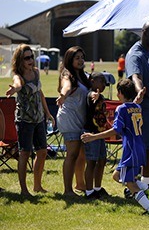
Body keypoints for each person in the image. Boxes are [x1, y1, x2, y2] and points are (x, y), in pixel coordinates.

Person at [82, 79, 149, 215]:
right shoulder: (137, 107)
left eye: (118, 92)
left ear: (121, 93)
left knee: (130, 183)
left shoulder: (121, 108)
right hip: (139, 146)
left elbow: (116, 130)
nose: (117, 95)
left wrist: (93, 137)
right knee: (117, 176)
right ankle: (147, 188)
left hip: (131, 149)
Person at [5, 44, 54, 196]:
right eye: (27, 58)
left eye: (32, 56)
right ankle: (24, 189)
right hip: (25, 120)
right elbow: (18, 85)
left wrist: (48, 113)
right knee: (25, 153)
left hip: (39, 118)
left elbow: (40, 94)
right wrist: (14, 89)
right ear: (20, 60)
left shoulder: (37, 72)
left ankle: (37, 186)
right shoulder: (18, 75)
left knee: (43, 152)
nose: (31, 60)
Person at [125, 20, 149, 186]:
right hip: (144, 106)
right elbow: (135, 76)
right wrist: (140, 90)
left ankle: (146, 183)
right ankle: (123, 175)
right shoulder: (135, 54)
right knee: (142, 146)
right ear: (144, 33)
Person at [56, 46, 92, 196]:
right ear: (70, 60)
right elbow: (66, 86)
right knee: (72, 154)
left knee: (81, 154)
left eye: (82, 57)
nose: (80, 60)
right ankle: (67, 190)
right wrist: (63, 95)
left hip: (81, 119)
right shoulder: (67, 75)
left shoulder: (84, 76)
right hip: (69, 118)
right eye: (77, 58)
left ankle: (80, 184)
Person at [82, 72, 109, 199]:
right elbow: (92, 96)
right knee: (91, 162)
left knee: (102, 160)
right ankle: (88, 191)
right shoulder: (90, 95)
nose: (104, 84)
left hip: (99, 134)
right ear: (92, 81)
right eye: (101, 81)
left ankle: (97, 188)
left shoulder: (101, 96)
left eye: (105, 83)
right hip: (91, 134)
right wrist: (95, 95)